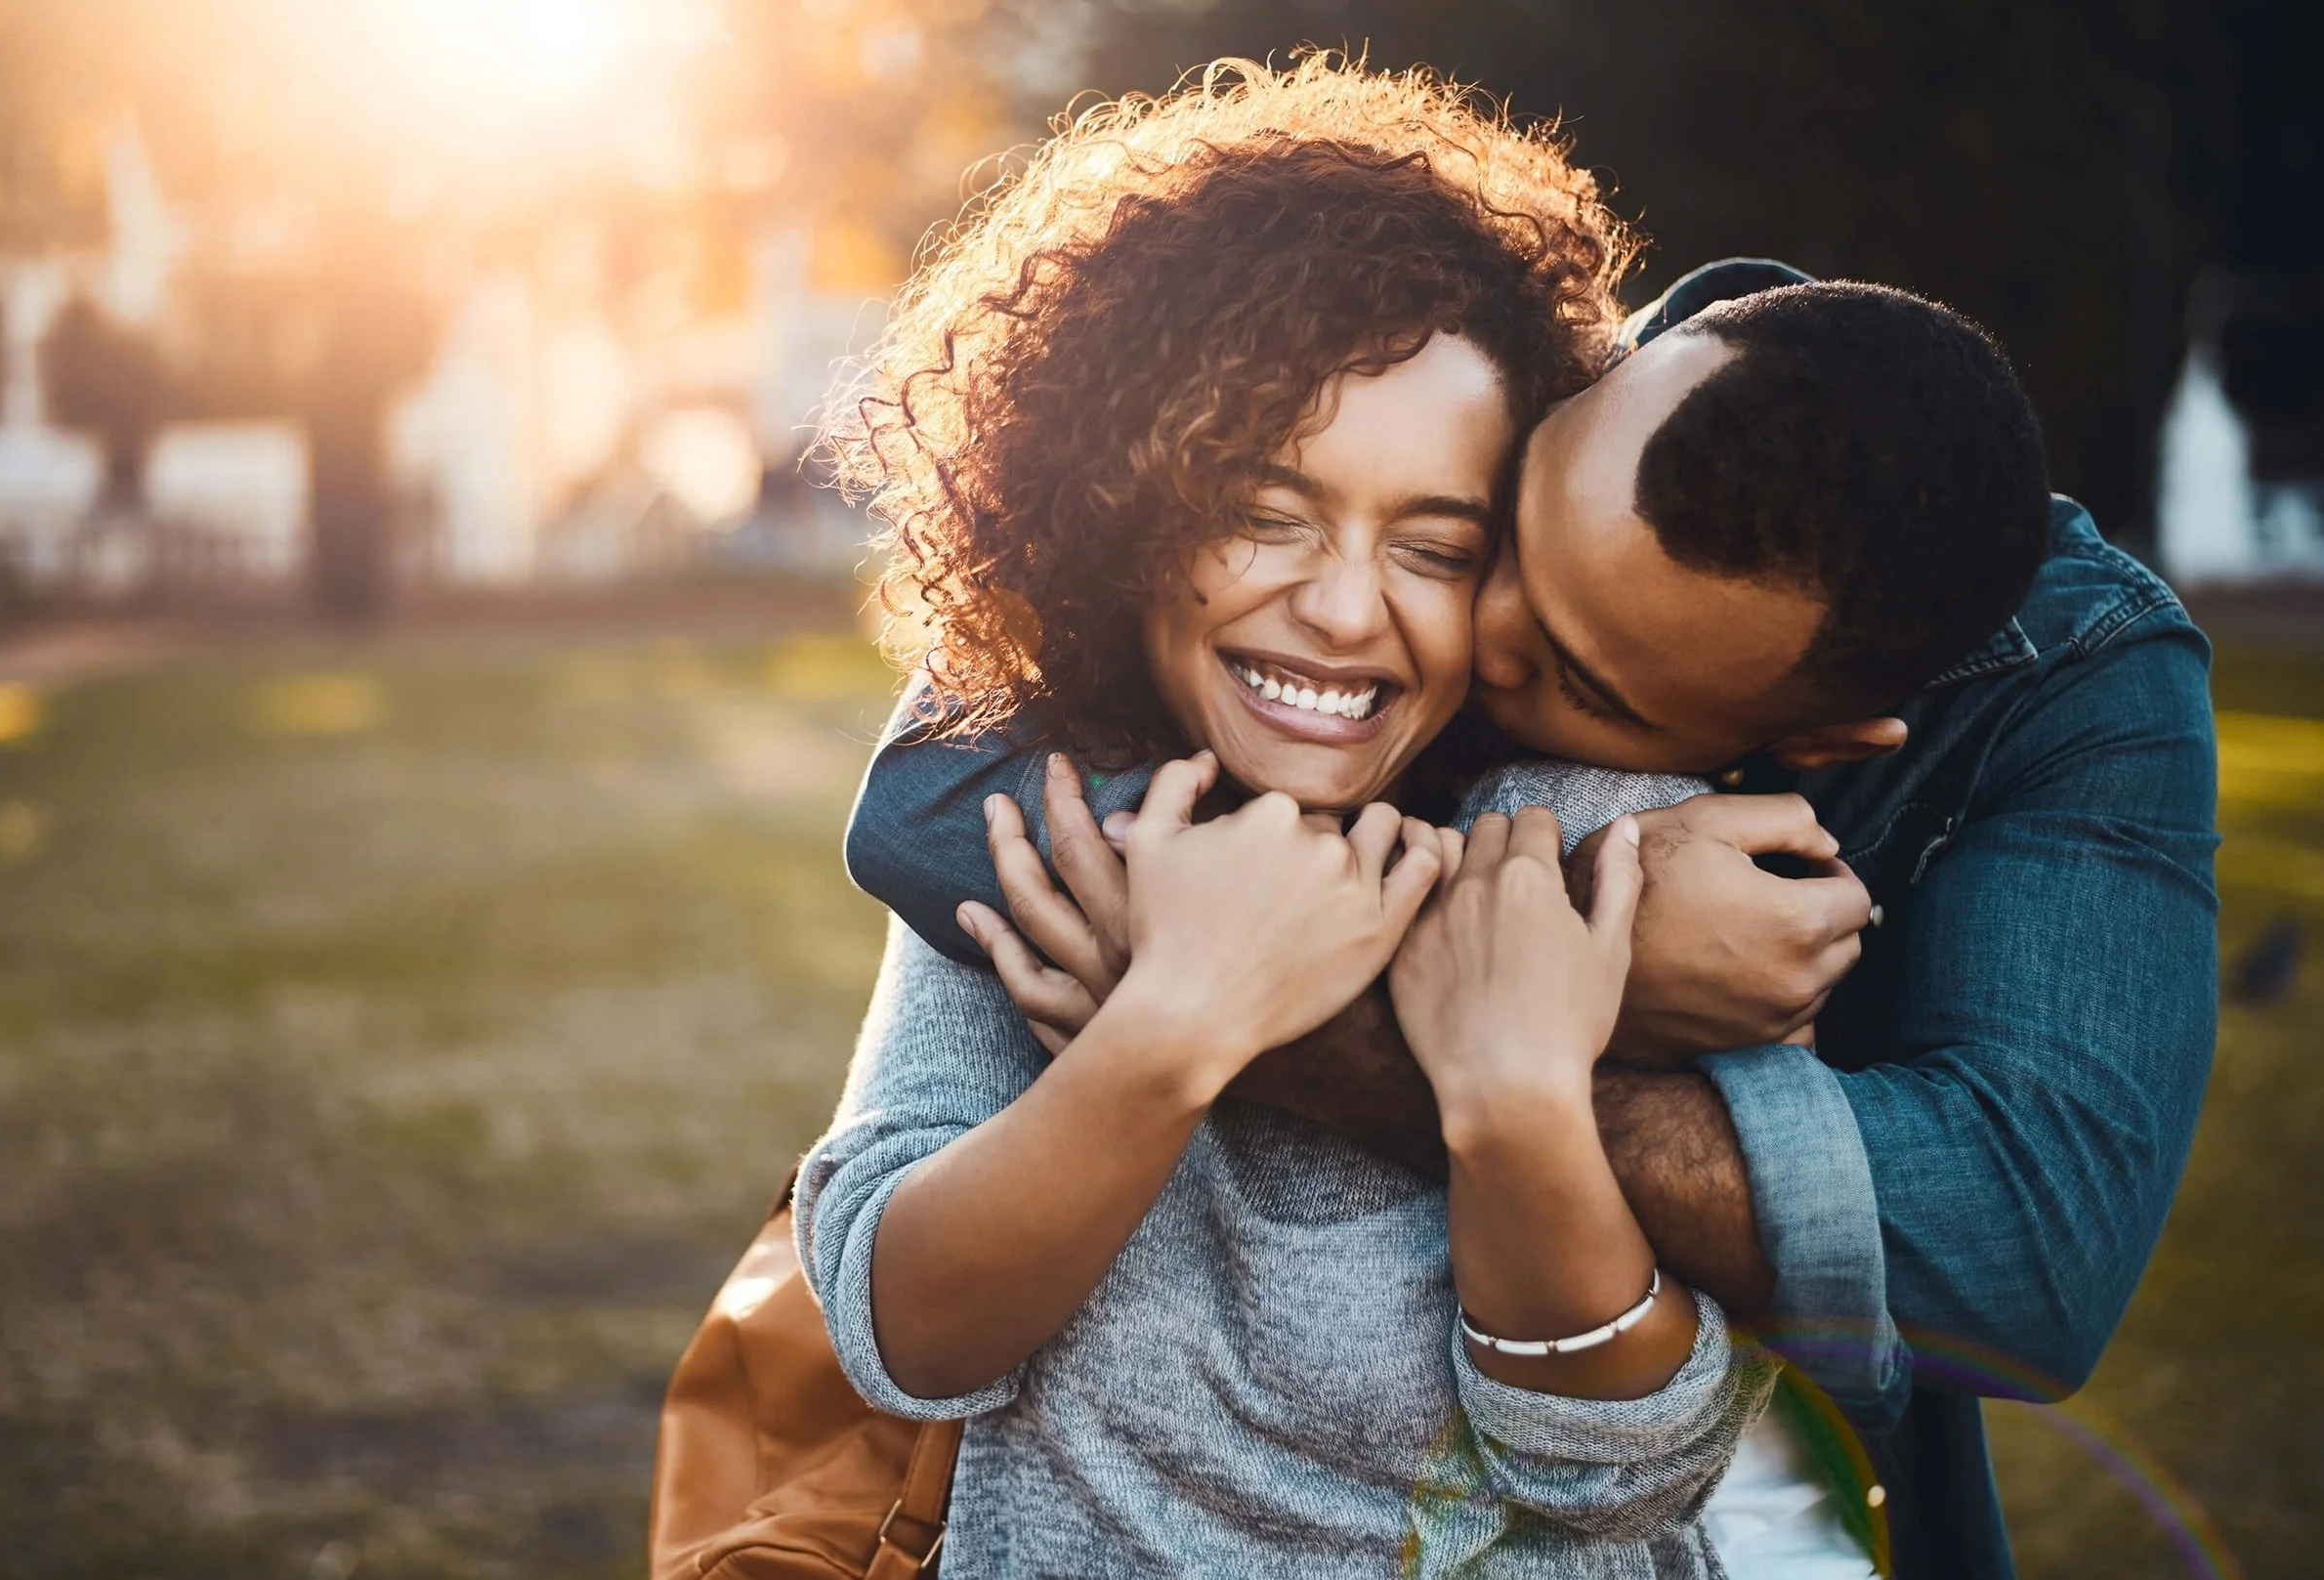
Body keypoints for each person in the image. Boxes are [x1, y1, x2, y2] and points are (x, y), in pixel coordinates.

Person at [851, 255, 2220, 1579]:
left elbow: (2014, 1260)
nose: (1469, 632)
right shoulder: (1472, 399)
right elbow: (926, 798)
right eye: (1500, 533)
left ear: (1812, 745)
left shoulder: (2017, 704)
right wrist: (1553, 949)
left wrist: (1501, 1041)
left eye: (1580, 672)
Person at [797, 58, 1779, 1577]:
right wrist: (1181, 1019)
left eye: (1434, 547)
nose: (1338, 612)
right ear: (1123, 504)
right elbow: (905, 1334)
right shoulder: (1047, 812)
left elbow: (1623, 1477)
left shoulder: (1602, 842)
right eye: (1263, 514)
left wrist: (1506, 1094)